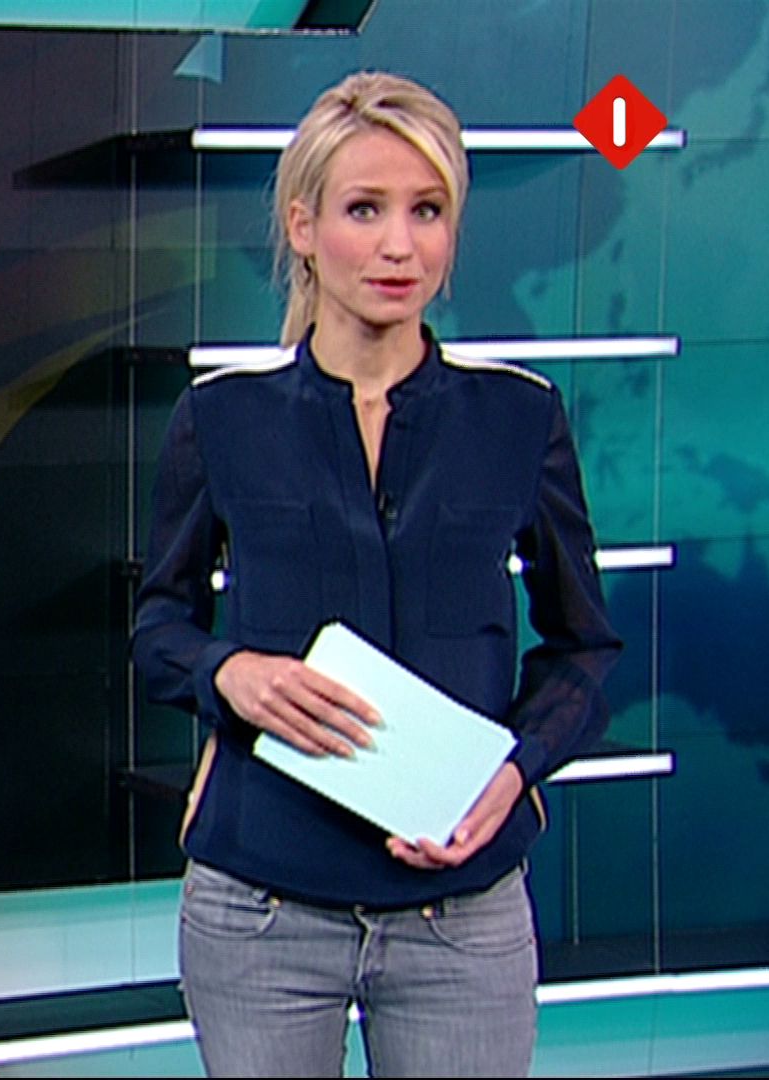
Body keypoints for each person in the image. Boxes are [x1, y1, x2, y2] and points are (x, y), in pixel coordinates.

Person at [131, 71, 622, 1077]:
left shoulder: (519, 419)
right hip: (261, 915)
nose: (400, 245)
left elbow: (584, 647)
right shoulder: (221, 419)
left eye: (427, 211)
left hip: (462, 918)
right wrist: (230, 674)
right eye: (365, 210)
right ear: (303, 227)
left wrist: (513, 770)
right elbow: (158, 631)